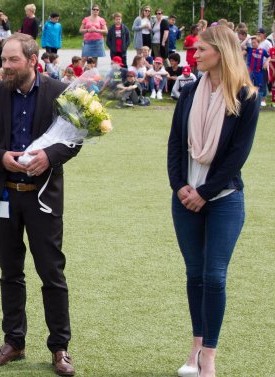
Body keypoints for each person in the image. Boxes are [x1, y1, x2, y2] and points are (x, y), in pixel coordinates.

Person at [0, 32, 77, 377]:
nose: (5, 66)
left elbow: (74, 141)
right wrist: (3, 158)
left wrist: (49, 156)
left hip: (43, 198)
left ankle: (60, 348)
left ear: (33, 61)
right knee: (10, 273)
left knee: (51, 273)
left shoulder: (60, 93)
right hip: (4, 196)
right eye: (3, 60)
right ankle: (13, 342)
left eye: (12, 60)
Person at [167, 25, 259, 377]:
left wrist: (204, 193)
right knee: (195, 275)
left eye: (201, 49)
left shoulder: (247, 97)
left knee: (214, 276)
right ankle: (195, 345)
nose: (195, 54)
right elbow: (176, 145)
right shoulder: (189, 93)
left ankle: (209, 356)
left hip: (224, 200)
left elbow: (237, 156)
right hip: (185, 197)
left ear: (220, 52)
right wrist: (180, 187)